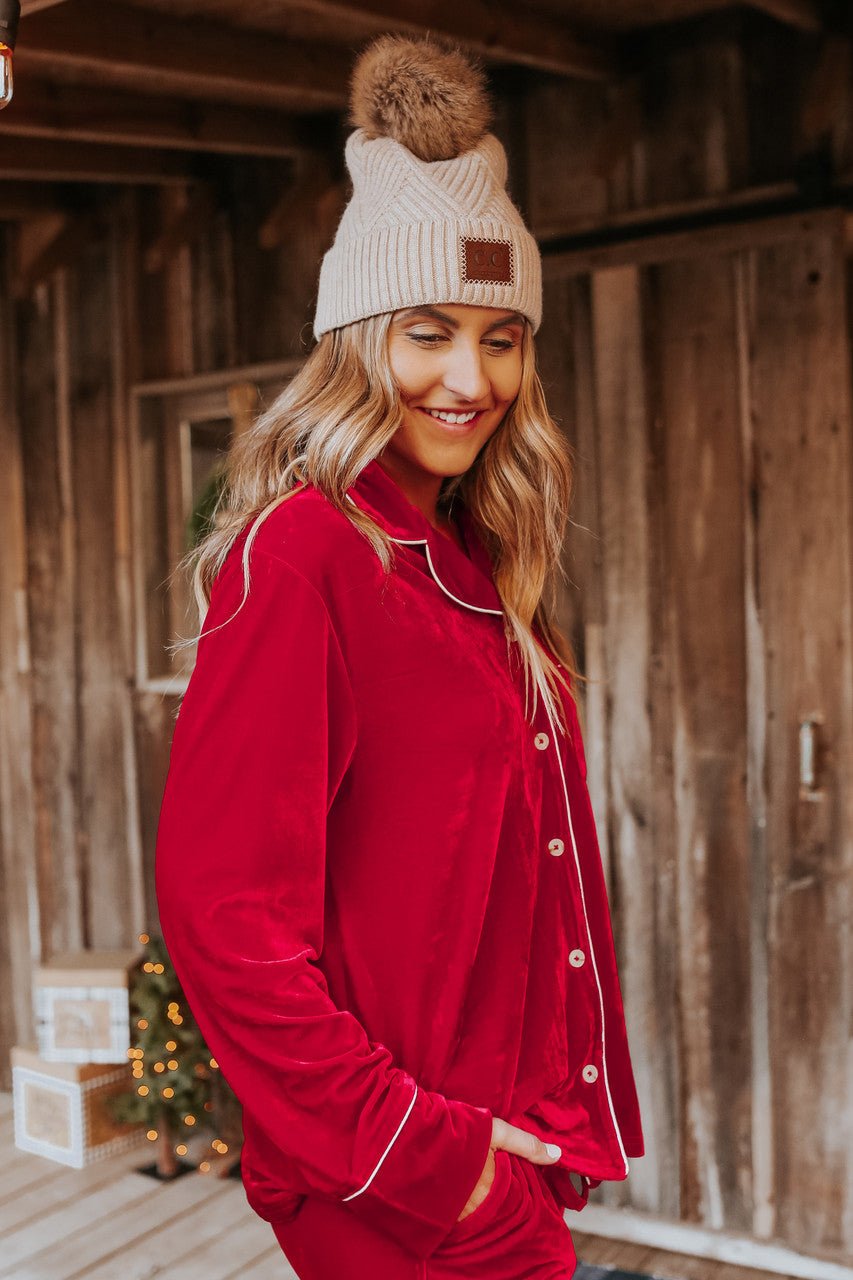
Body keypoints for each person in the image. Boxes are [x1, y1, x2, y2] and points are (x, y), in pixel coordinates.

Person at [154, 32, 644, 1280]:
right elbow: (225, 922)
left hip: (496, 1151)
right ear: (358, 339)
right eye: (427, 331)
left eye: (502, 336)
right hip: (404, 1185)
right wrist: (429, 1155)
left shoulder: (474, 566)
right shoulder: (307, 556)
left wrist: (514, 1135)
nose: (469, 378)